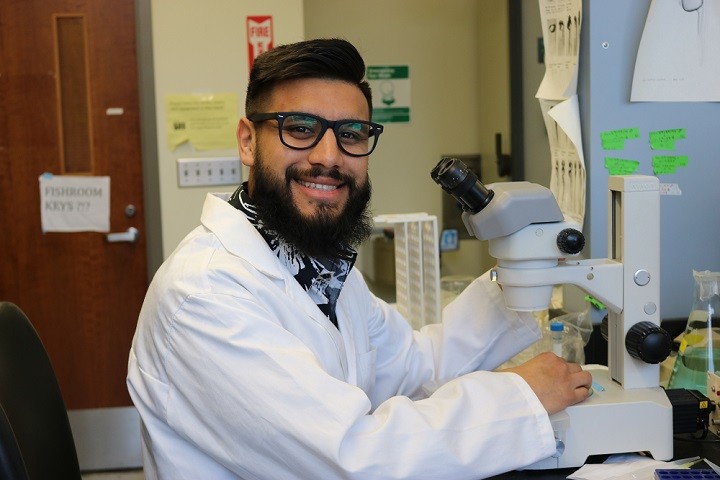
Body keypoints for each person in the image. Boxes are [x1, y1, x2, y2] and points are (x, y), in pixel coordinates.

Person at [127, 38, 592, 480]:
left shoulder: (319, 269)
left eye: (351, 134)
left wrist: (518, 271)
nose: (329, 157)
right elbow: (353, 457)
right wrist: (517, 398)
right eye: (301, 129)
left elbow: (417, 367)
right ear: (248, 142)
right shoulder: (204, 295)